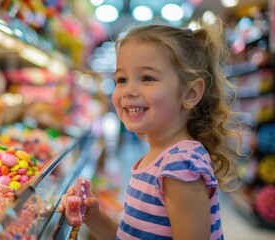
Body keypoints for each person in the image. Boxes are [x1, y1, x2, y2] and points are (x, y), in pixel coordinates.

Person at [59, 18, 243, 240]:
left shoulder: (179, 166)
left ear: (191, 93)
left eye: (147, 78)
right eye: (122, 79)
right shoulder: (157, 159)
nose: (128, 90)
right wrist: (94, 216)